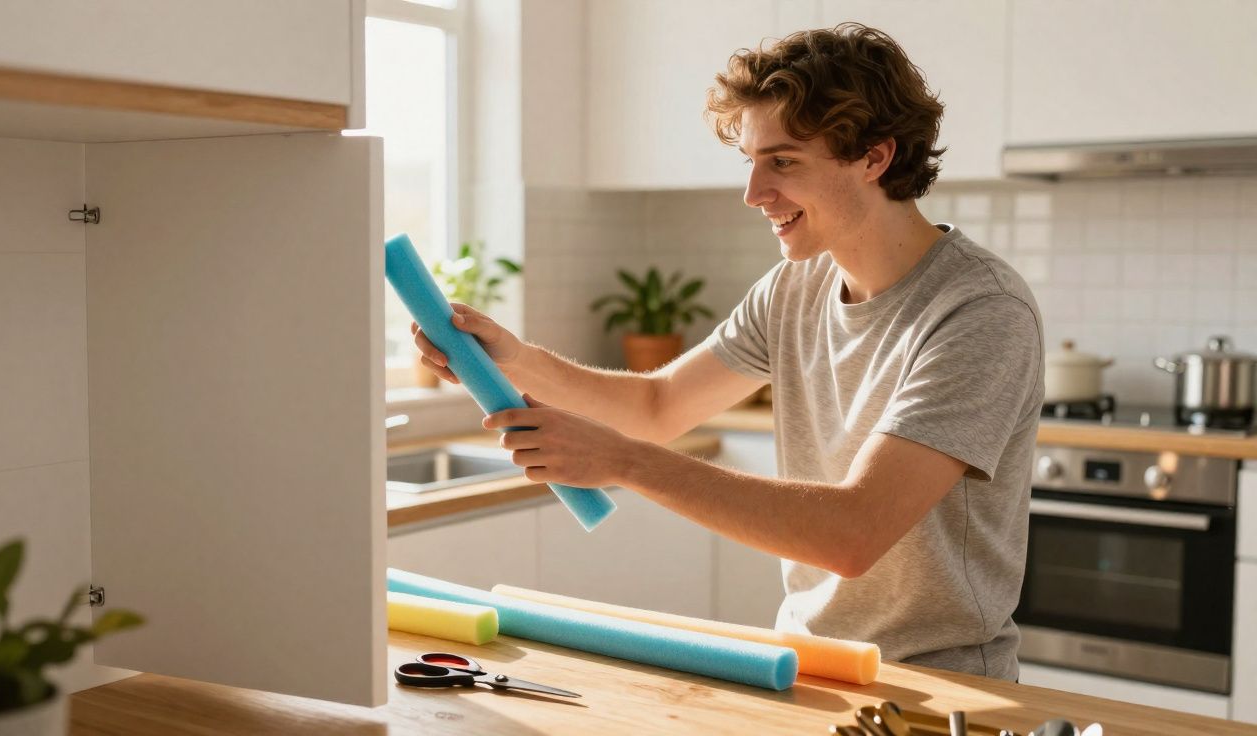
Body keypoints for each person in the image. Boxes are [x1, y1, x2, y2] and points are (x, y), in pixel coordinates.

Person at [410, 24, 1042, 681]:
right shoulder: (794, 287)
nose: (754, 192)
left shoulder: (981, 311)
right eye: (751, 161)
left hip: (941, 684)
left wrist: (623, 461)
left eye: (784, 161)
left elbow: (853, 533)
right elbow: (660, 403)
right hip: (806, 664)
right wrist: (516, 360)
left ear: (874, 158)